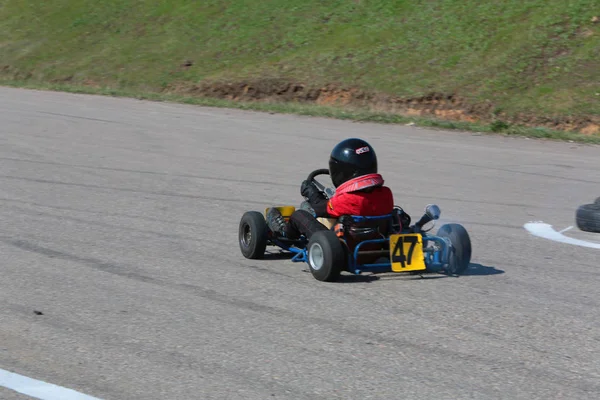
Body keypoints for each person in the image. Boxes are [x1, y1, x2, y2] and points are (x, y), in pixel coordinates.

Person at [266, 138, 396, 240]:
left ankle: (284, 231)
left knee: (300, 214)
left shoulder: (349, 199)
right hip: (378, 242)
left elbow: (317, 208)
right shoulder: (386, 193)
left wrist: (312, 194)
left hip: (343, 248)